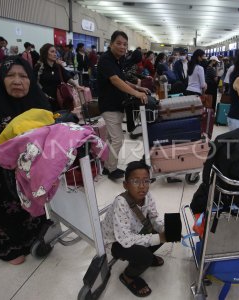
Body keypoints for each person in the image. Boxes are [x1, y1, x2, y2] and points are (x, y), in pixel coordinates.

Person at [0, 56, 52, 265]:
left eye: (23, 76)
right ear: (1, 79)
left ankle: (32, 238)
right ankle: (5, 248)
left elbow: (51, 122)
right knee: (1, 203)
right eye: (10, 75)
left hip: (28, 163)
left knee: (29, 200)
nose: (17, 81)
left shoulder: (36, 99)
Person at [101, 161, 166, 297]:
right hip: (116, 241)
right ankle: (128, 276)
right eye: (136, 182)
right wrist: (157, 237)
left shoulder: (147, 196)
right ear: (125, 185)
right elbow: (124, 239)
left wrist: (164, 229)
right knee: (146, 256)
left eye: (146, 181)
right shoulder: (121, 203)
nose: (142, 186)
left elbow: (154, 218)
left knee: (165, 232)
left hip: (134, 232)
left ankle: (143, 257)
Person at [97, 31, 149, 180]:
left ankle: (106, 165)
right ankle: (111, 169)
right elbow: (115, 80)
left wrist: (138, 88)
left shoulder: (117, 60)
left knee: (111, 139)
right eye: (119, 43)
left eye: (125, 44)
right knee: (118, 139)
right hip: (109, 105)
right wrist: (136, 93)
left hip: (117, 104)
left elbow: (123, 80)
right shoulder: (106, 59)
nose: (122, 47)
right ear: (111, 43)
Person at [34, 43, 83, 111]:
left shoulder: (58, 67)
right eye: (52, 51)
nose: (55, 54)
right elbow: (35, 83)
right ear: (45, 53)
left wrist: (77, 85)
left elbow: (67, 77)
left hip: (59, 100)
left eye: (55, 52)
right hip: (44, 101)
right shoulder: (39, 67)